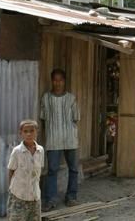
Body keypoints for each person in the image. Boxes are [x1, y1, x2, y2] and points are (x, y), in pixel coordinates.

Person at [41, 68, 80, 211]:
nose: (58, 83)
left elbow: (76, 118)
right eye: (55, 80)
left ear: (64, 81)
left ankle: (71, 197)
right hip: (53, 139)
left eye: (60, 80)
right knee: (52, 170)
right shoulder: (46, 98)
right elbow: (43, 118)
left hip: (70, 139)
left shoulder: (71, 98)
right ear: (52, 81)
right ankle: (51, 200)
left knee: (74, 169)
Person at [7, 120, 44, 221]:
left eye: (32, 131)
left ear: (37, 132)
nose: (29, 134)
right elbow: (11, 171)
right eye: (25, 131)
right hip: (18, 195)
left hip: (35, 197)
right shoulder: (17, 151)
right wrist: (11, 190)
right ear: (21, 133)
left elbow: (38, 172)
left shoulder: (40, 150)